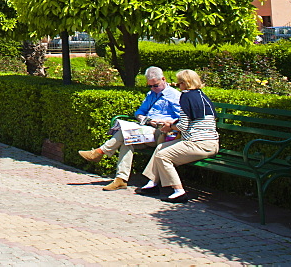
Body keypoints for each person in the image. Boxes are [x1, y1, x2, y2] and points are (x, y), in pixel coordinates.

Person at [78, 66, 181, 191]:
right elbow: (139, 112)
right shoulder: (151, 94)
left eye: (156, 85)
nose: (153, 89)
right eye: (150, 86)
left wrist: (164, 122)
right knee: (128, 141)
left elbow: (181, 119)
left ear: (163, 79)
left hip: (161, 132)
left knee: (127, 133)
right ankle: (121, 180)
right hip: (146, 129)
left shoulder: (175, 96)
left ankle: (100, 152)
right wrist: (146, 120)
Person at [136, 68, 219, 202]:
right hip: (210, 142)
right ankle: (152, 183)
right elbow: (194, 119)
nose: (177, 86)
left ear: (185, 83)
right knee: (160, 148)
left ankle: (179, 191)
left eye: (179, 83)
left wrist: (169, 127)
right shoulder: (202, 96)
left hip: (197, 143)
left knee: (163, 156)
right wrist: (174, 123)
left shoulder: (186, 96)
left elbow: (182, 126)